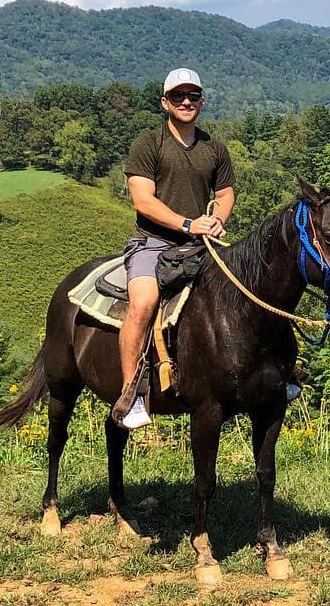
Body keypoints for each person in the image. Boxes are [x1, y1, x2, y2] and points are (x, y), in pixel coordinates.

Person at [113, 68, 235, 429]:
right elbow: (142, 200)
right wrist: (187, 223)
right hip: (152, 243)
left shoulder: (214, 148)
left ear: (202, 101)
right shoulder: (149, 144)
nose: (186, 102)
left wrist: (217, 220)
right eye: (178, 96)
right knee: (144, 304)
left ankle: (275, 374)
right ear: (165, 102)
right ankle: (130, 394)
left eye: (193, 96)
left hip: (201, 244)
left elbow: (225, 193)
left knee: (246, 291)